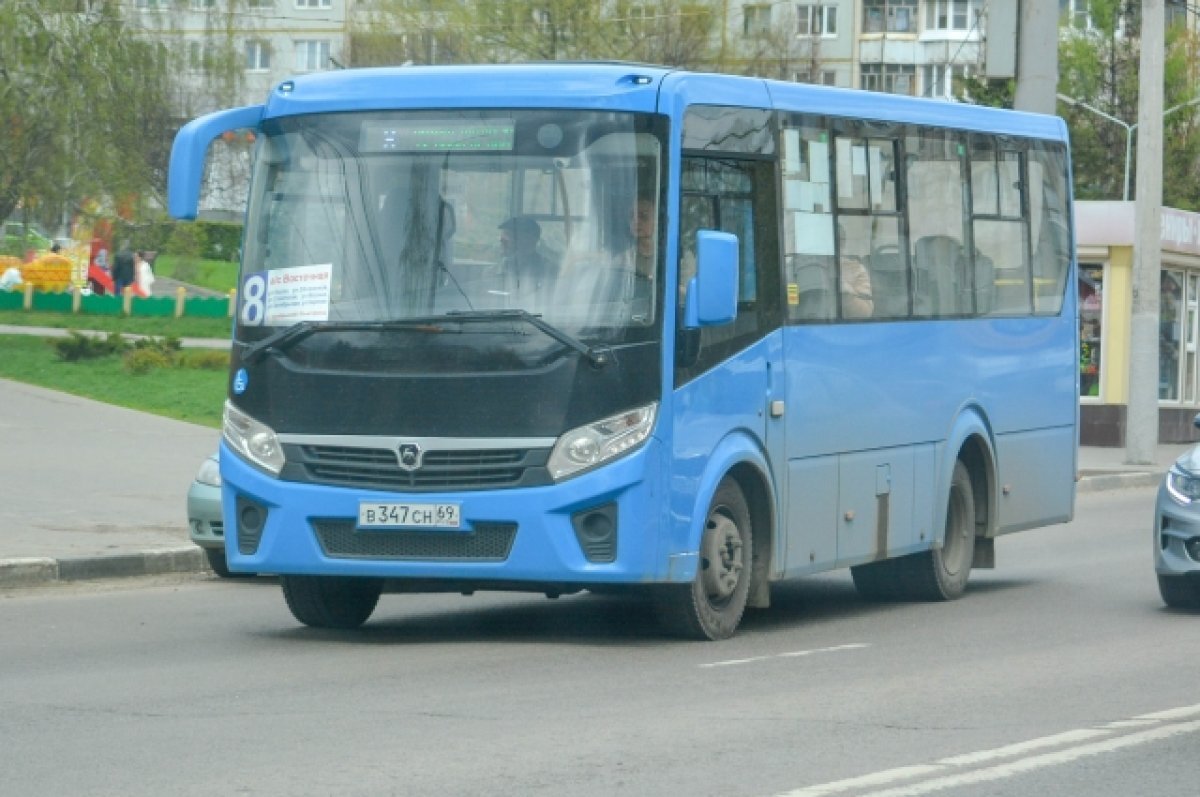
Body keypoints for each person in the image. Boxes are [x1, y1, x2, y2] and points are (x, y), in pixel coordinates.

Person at [498, 216, 554, 298]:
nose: (502, 240)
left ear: (530, 239)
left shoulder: (549, 271)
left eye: (509, 234)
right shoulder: (497, 269)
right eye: (503, 235)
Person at [837, 225, 873, 319]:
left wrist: (846, 292)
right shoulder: (803, 269)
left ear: (843, 243)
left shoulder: (856, 269)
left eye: (839, 240)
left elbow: (866, 312)